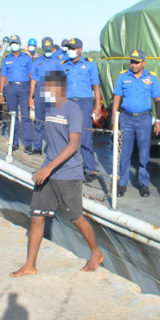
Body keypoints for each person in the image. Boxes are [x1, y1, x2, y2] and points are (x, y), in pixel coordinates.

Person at [11, 71, 104, 277]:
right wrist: (46, 167)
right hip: (49, 171)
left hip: (68, 173)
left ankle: (96, 253)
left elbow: (73, 146)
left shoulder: (73, 111)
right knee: (36, 216)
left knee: (76, 217)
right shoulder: (51, 108)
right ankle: (30, 265)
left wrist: (48, 168)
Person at [111, 50, 160, 197]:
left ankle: (144, 184)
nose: (133, 65)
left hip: (144, 119)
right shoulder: (123, 76)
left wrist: (158, 120)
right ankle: (122, 184)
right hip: (126, 118)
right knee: (124, 152)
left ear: (143, 63)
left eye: (137, 62)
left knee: (144, 152)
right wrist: (114, 119)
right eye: (132, 62)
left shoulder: (151, 77)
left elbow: (157, 99)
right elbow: (117, 98)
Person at [61, 38, 102, 182]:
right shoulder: (63, 65)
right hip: (68, 103)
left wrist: (97, 107)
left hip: (84, 103)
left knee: (85, 136)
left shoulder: (90, 64)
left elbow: (96, 86)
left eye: (72, 48)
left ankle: (90, 170)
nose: (70, 50)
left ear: (80, 50)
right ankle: (70, 167)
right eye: (69, 48)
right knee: (67, 135)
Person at [0, 34, 34, 151]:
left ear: (20, 44)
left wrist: (31, 94)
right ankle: (14, 142)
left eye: (16, 43)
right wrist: (0, 93)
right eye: (12, 43)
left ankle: (28, 143)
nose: (14, 45)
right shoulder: (6, 60)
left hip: (24, 87)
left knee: (25, 115)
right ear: (10, 45)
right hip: (11, 88)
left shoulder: (27, 58)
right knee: (12, 115)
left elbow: (31, 75)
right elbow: (3, 76)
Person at [29, 37, 62, 155]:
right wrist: (30, 98)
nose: (48, 51)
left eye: (50, 49)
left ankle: (54, 148)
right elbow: (33, 80)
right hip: (39, 90)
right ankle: (37, 147)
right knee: (39, 120)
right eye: (46, 49)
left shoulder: (58, 61)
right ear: (42, 48)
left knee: (53, 121)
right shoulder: (36, 62)